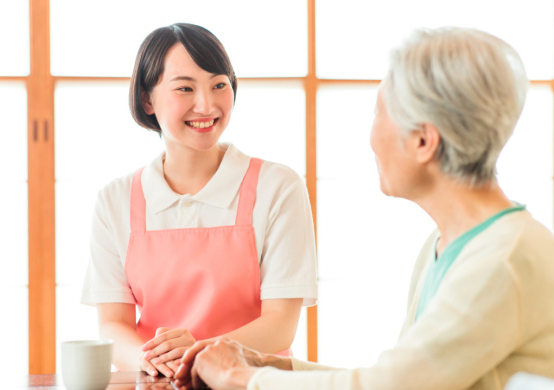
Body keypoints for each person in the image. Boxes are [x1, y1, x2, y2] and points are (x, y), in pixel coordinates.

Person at [173, 26, 554, 390]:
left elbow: (388, 387)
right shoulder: (444, 244)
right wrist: (269, 364)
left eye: (379, 113)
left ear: (423, 141)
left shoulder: (505, 259)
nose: (371, 140)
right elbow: (399, 376)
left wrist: (238, 377)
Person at [80, 23, 317, 378]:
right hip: (157, 382)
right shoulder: (114, 200)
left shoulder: (279, 187)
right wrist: (150, 362)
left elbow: (281, 324)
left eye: (219, 85)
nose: (206, 105)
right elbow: (113, 324)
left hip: (251, 381)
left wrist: (197, 354)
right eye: (185, 88)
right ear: (147, 99)